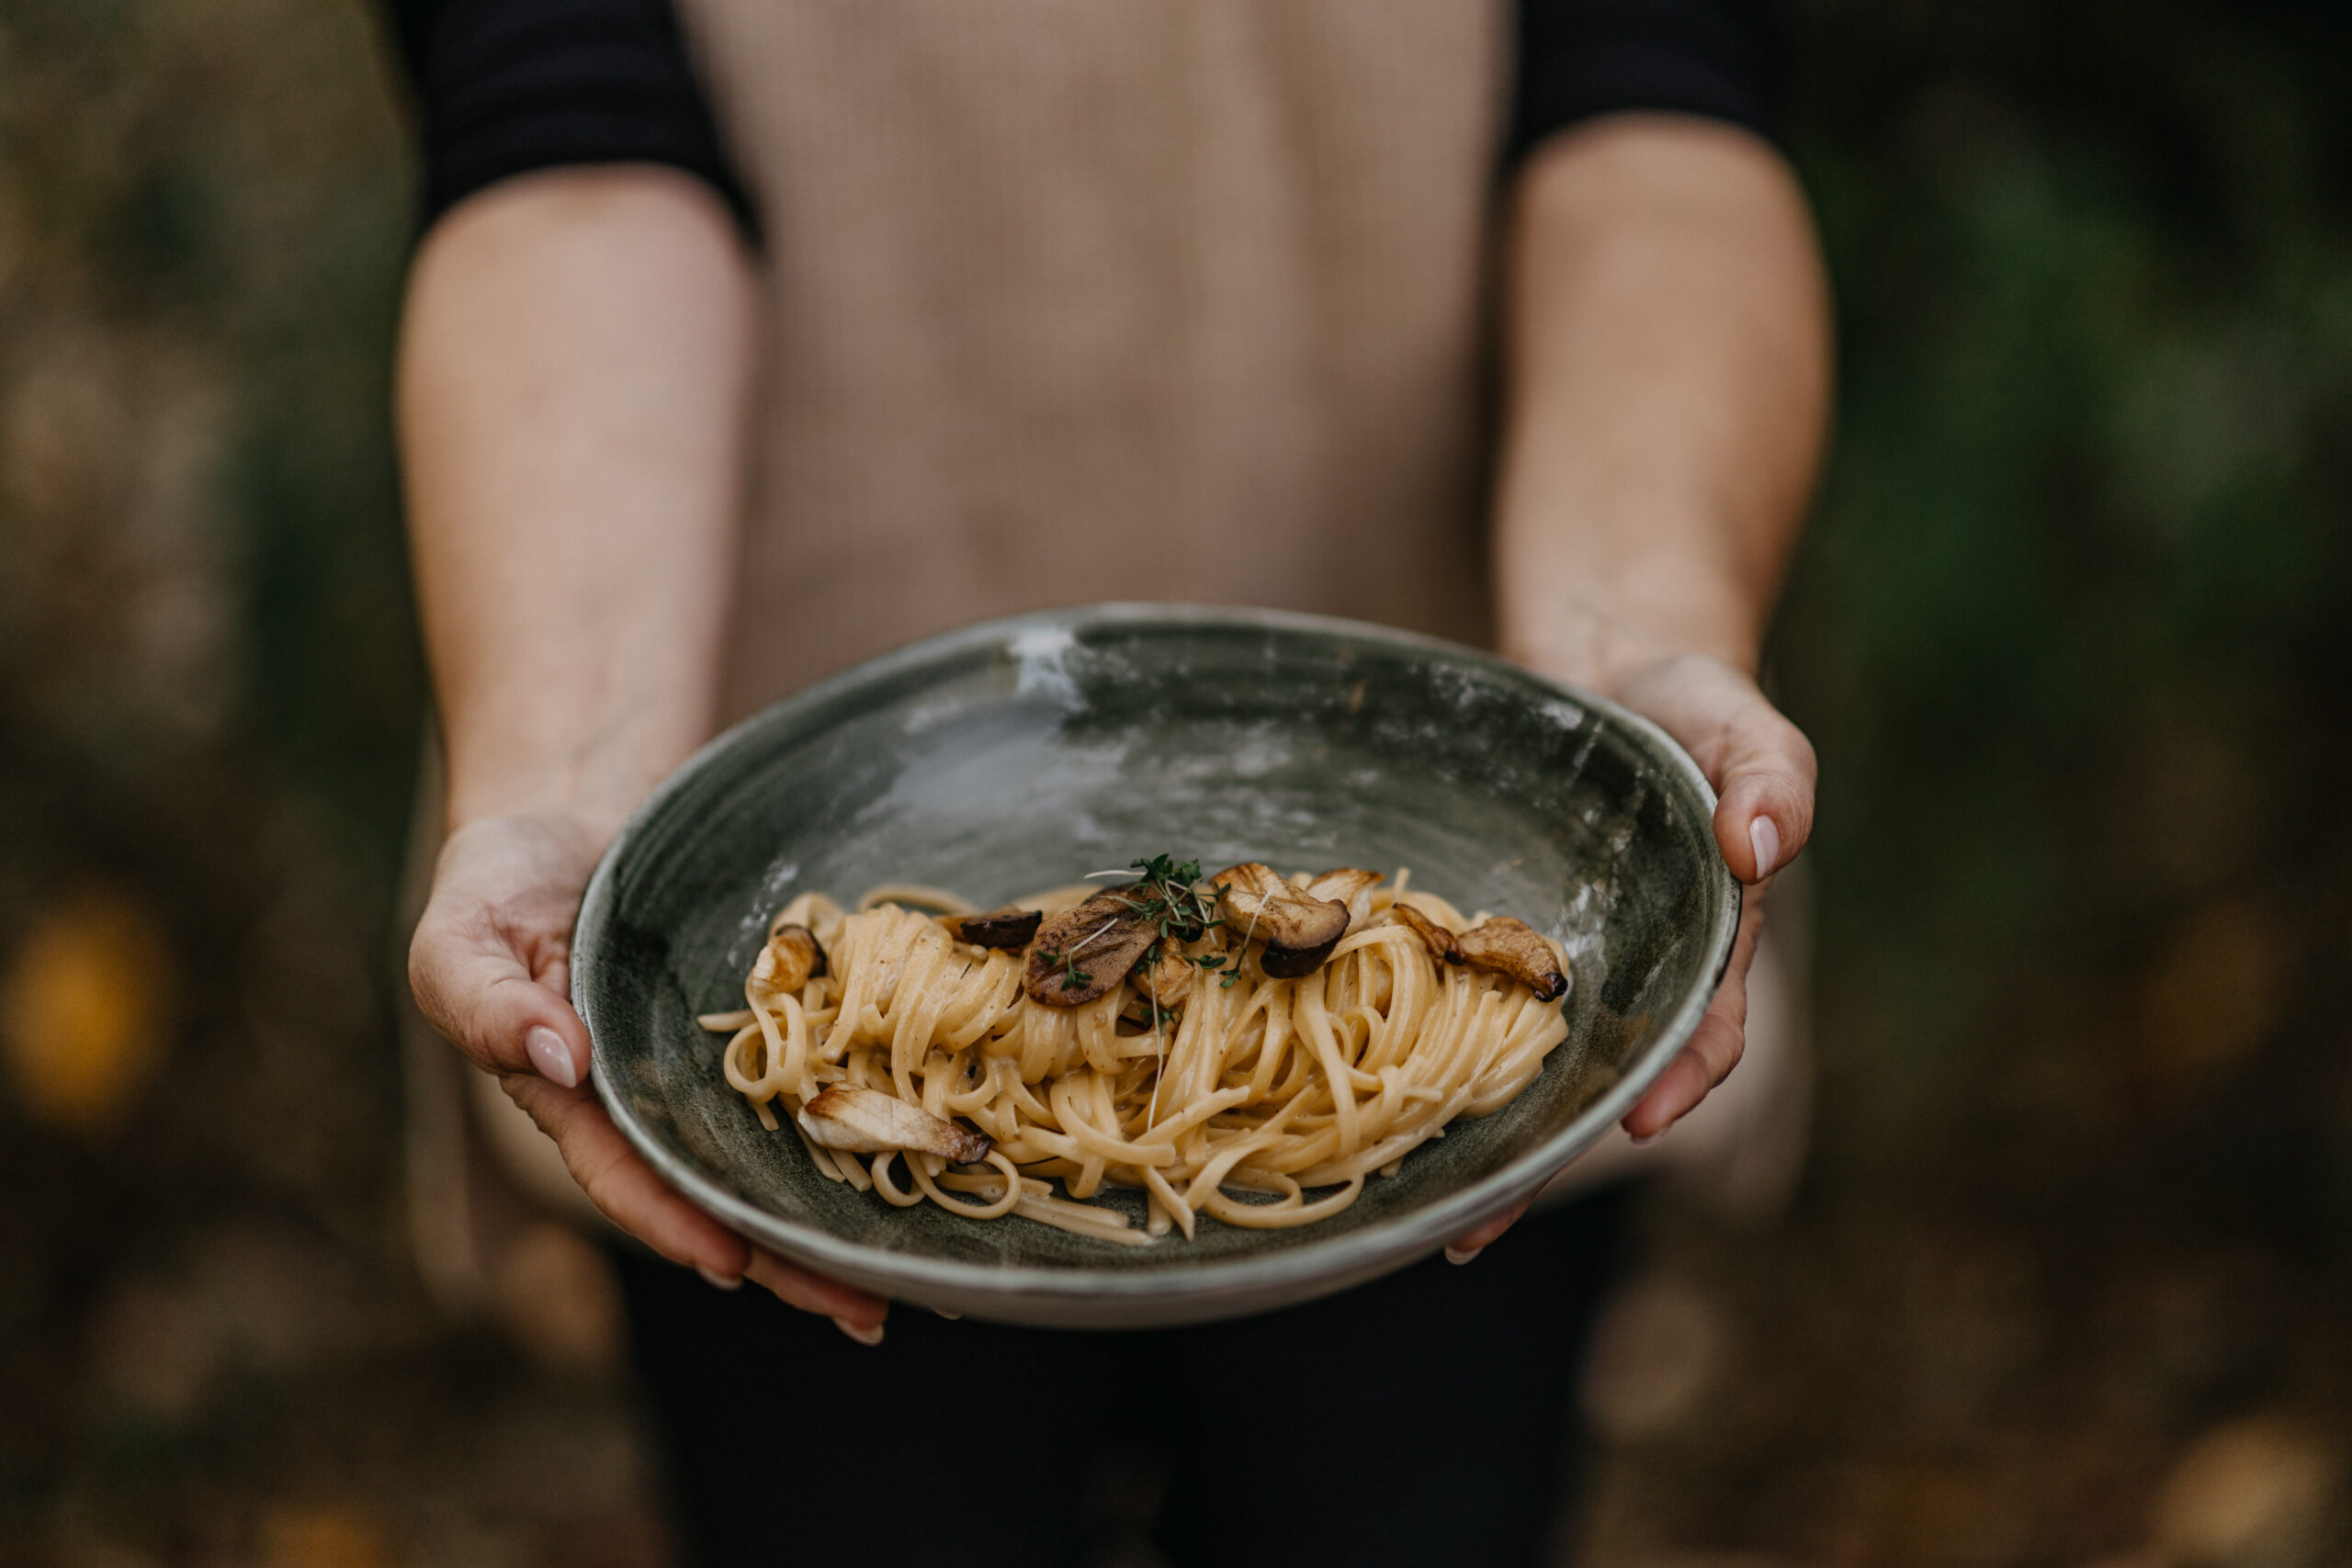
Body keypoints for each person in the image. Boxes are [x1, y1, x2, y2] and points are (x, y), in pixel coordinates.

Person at [387, 1, 1827, 1562]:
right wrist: (586, 768)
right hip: (743, 758)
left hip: (1491, 814)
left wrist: (1622, 665)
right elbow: (568, 137)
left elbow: (1655, 105)